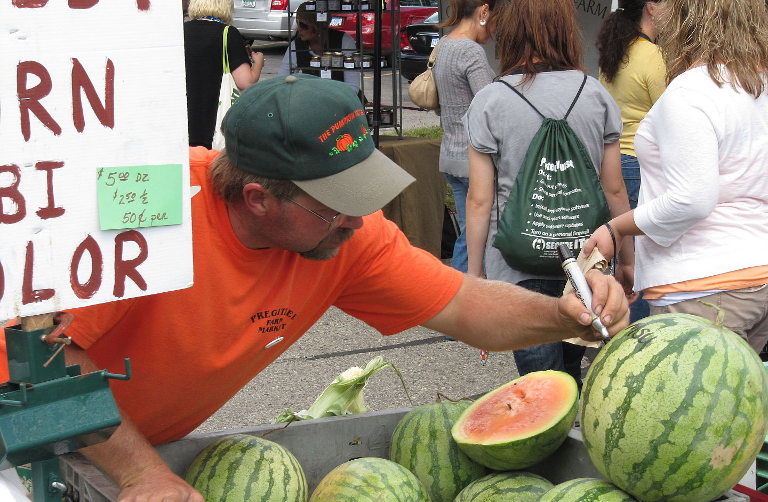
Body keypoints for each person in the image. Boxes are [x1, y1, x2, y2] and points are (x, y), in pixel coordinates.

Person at [0, 75, 628, 500]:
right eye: (335, 204)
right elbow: (35, 370)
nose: (357, 220)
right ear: (258, 198)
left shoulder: (348, 239)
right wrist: (141, 474)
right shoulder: (146, 210)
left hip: (139, 451)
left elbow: (464, 304)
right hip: (23, 445)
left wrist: (564, 314)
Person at [584, 0, 768, 353]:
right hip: (756, 275)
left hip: (702, 283)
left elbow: (692, 199)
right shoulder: (757, 84)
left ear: (685, 16)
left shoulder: (692, 91)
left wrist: (616, 228)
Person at [464, 0, 632, 385]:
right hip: (586, 258)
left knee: (539, 384)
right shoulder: (595, 94)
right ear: (565, 30)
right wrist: (627, 260)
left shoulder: (490, 100)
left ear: (510, 32)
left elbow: (479, 200)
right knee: (572, 372)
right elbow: (614, 187)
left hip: (517, 265)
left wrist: (475, 274)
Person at [596, 0, 666, 323]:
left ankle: (620, 329)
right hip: (641, 166)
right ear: (651, 7)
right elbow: (672, 117)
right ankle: (637, 333)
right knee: (641, 260)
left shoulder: (614, 52)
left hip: (612, 162)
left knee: (624, 255)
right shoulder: (653, 56)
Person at [432, 0, 496, 273]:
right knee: (477, 237)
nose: (494, 30)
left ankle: (459, 288)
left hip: (450, 153)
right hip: (475, 158)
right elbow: (488, 105)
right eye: (494, 21)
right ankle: (464, 291)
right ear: (484, 12)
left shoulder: (444, 45)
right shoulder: (471, 51)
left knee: (468, 233)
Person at [184, 0, 265, 149]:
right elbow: (245, 82)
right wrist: (258, 63)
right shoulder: (227, 33)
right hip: (213, 124)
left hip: (184, 124)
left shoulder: (181, 31)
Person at [278, 2, 361, 94]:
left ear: (318, 25)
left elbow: (353, 86)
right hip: (312, 96)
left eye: (303, 25)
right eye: (297, 23)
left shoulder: (344, 41)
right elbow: (282, 80)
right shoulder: (296, 46)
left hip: (343, 96)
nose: (298, 29)